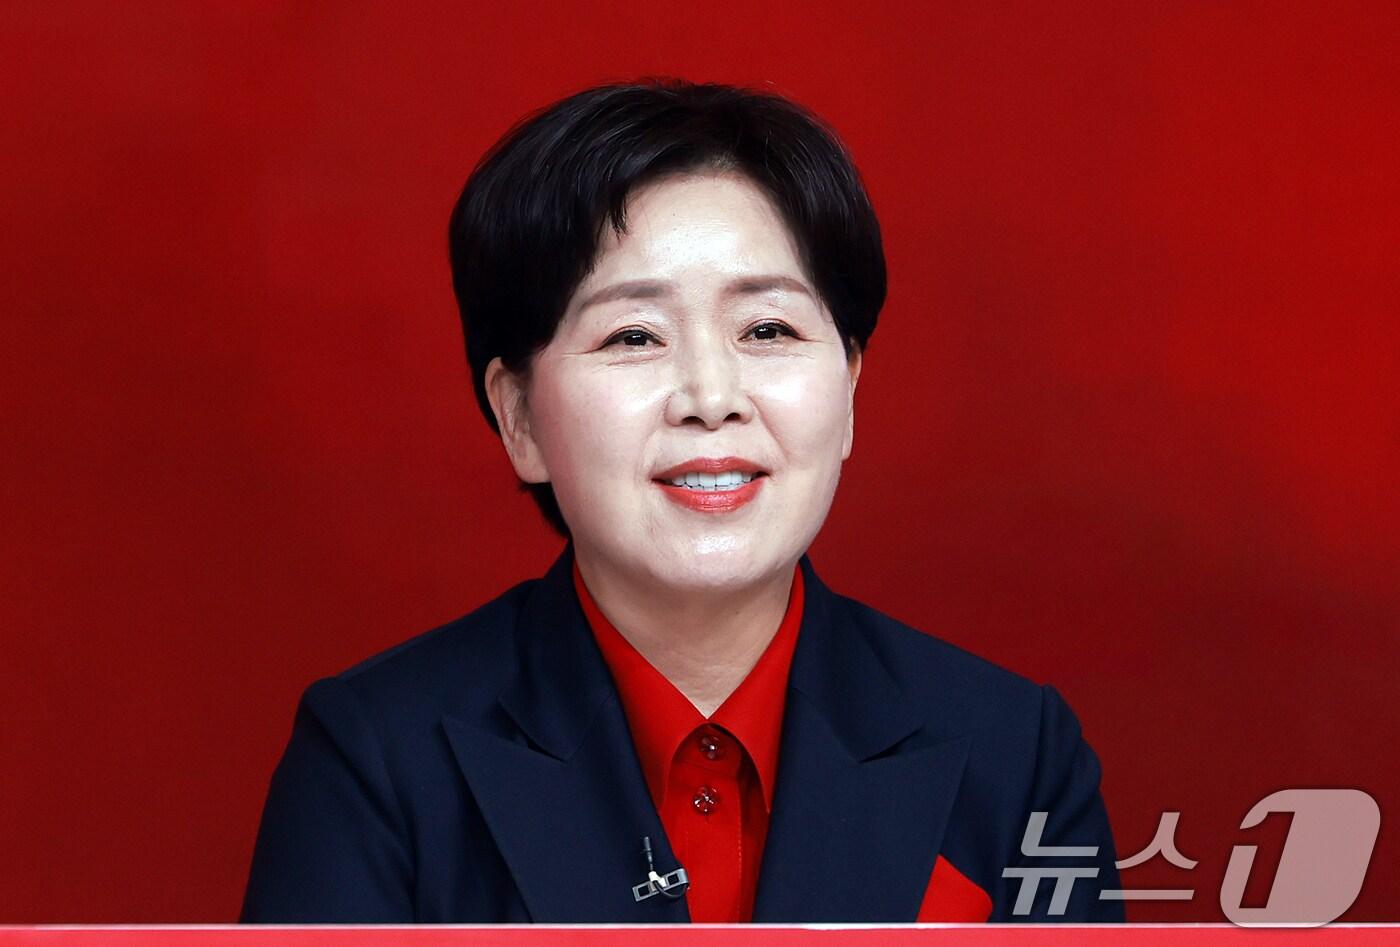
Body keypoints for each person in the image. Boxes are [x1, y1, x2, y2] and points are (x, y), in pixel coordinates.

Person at [240, 79, 1123, 924]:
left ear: (850, 387)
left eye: (767, 328)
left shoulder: (1017, 756)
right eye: (634, 336)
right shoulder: (376, 761)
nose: (711, 396)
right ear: (520, 418)